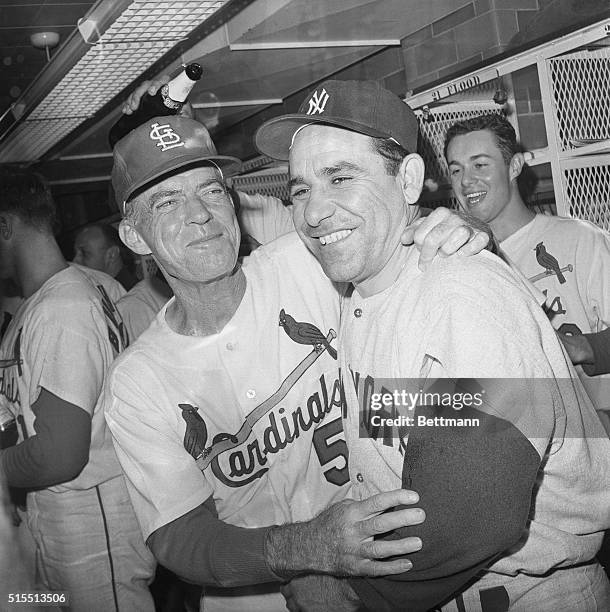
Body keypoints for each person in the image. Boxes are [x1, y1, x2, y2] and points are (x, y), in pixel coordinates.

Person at [102, 112, 491, 612]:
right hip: (254, 600)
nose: (200, 214)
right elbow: (180, 538)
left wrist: (463, 227)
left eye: (212, 191)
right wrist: (308, 549)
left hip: (392, 575)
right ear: (133, 237)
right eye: (167, 202)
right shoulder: (137, 381)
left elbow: (399, 227)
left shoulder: (309, 258)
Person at [254, 79, 610, 611]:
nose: (313, 211)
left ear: (409, 181)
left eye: (340, 178)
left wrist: (348, 590)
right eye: (301, 188)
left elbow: (472, 511)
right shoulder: (368, 293)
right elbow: (418, 439)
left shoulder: (455, 291)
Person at [0, 167, 155, 611]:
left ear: (5, 226)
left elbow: (59, 454)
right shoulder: (44, 303)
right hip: (58, 524)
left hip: (91, 526)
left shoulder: (65, 306)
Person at [444, 113, 610, 431]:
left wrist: (581, 347)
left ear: (515, 166)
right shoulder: (456, 264)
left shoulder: (579, 239)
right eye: (456, 169)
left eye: (480, 165)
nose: (465, 181)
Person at [73, 222, 138, 290]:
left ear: (112, 254)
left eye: (84, 253)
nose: (75, 260)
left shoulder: (133, 295)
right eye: (75, 253)